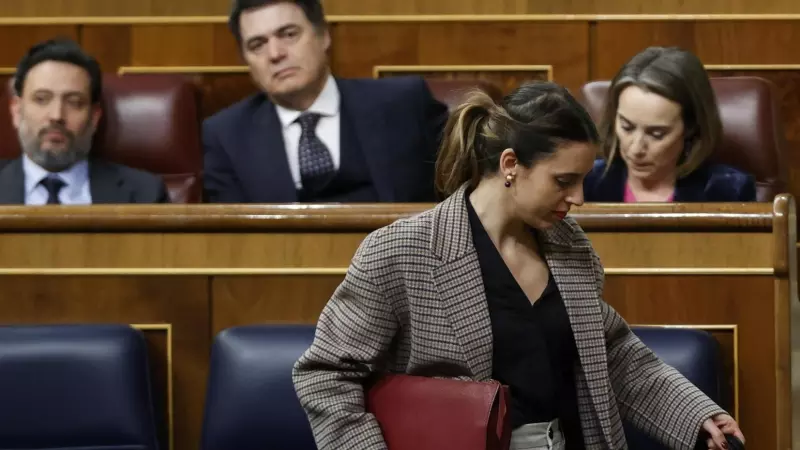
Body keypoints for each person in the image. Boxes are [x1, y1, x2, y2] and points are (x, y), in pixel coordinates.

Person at [293, 81, 745, 450]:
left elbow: (609, 352)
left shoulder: (569, 245)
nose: (580, 198)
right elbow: (326, 375)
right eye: (564, 181)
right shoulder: (400, 251)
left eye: (583, 180)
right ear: (511, 165)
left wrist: (697, 416)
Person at [202, 0, 449, 203]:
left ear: (323, 36)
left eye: (288, 34)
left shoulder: (403, 103)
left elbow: (464, 192)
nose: (276, 54)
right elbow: (232, 239)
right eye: (257, 45)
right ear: (246, 60)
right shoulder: (226, 137)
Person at [0, 38, 170, 205]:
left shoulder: (145, 195)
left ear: (94, 117)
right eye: (42, 99)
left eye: (74, 102)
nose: (57, 115)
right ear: (16, 111)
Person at [583, 46, 757, 202]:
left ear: (691, 128)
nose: (636, 149)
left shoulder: (727, 191)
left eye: (656, 134)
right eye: (627, 127)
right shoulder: (584, 182)